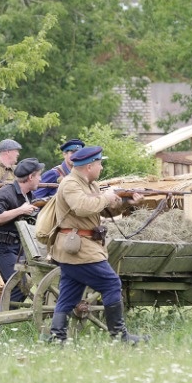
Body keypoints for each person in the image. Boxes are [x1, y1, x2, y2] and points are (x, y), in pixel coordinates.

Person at [47, 145, 148, 344]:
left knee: (68, 295)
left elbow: (101, 211)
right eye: (100, 164)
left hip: (78, 248)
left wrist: (126, 202)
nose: (101, 168)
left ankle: (56, 337)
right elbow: (82, 207)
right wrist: (106, 197)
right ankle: (120, 337)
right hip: (79, 248)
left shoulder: (90, 185)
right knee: (111, 283)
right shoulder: (70, 184)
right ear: (89, 166)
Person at [0, 157, 44, 309]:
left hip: (18, 250)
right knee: (21, 285)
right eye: (39, 175)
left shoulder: (30, 196)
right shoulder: (6, 194)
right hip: (1, 248)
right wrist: (21, 210)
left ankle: (2, 320)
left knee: (27, 283)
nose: (41, 178)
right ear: (31, 177)